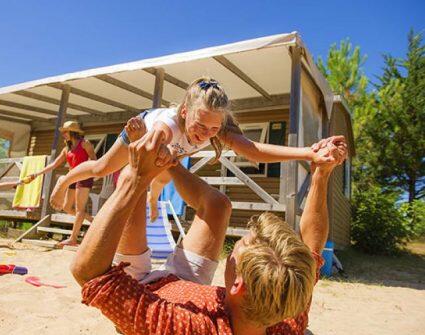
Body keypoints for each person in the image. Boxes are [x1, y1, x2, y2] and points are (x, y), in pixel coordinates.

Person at [70, 130, 347, 334]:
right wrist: (321, 174)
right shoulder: (287, 305)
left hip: (143, 285)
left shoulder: (187, 327)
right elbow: (313, 242)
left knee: (135, 198)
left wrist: (136, 179)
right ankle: (171, 163)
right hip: (186, 284)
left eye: (236, 249)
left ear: (238, 286)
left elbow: (87, 272)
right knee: (218, 205)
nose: (233, 247)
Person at [49, 77, 336, 222]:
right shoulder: (169, 125)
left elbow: (255, 150)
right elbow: (155, 140)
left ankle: (153, 200)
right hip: (141, 130)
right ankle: (66, 179)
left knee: (165, 171)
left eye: (213, 129)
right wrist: (148, 144)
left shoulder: (216, 127)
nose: (205, 134)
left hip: (170, 153)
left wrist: (308, 153)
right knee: (102, 169)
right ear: (185, 112)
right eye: (200, 125)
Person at [28, 121, 97, 247]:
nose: (63, 134)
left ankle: (73, 238)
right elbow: (54, 165)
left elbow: (94, 161)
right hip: (71, 178)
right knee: (66, 207)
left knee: (79, 209)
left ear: (73, 132)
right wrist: (37, 174)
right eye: (63, 132)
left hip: (84, 177)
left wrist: (93, 174)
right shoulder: (67, 149)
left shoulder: (85, 144)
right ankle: (93, 220)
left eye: (66, 131)